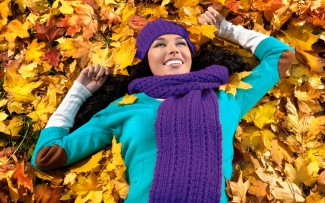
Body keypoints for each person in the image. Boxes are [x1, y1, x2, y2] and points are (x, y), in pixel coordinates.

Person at [31, 7, 295, 203]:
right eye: (160, 45)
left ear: (191, 55)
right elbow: (45, 157)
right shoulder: (125, 107)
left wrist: (226, 29)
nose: (173, 49)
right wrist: (77, 94)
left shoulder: (227, 97)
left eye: (182, 43)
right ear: (147, 60)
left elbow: (280, 55)